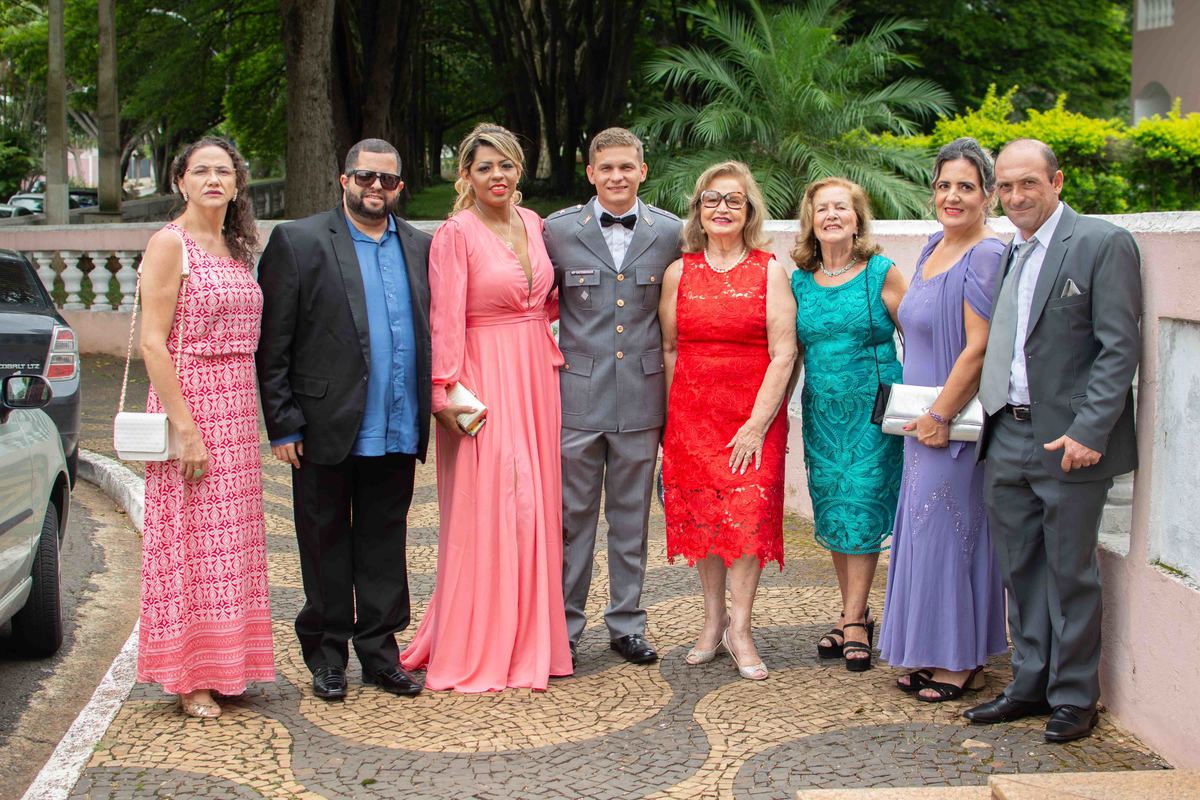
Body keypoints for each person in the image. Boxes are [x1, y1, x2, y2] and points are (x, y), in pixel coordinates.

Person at [966, 139, 1141, 742]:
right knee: (1020, 571)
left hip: (1069, 442)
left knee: (1070, 574)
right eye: (1006, 186)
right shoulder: (1010, 249)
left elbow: (1118, 348)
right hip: (1006, 433)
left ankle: (1074, 698)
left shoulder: (1101, 243)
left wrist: (1090, 430)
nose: (1016, 196)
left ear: (1057, 182)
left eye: (1029, 184)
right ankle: (1029, 684)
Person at [257, 138, 432, 701]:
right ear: (344, 180)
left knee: (385, 544)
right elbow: (273, 341)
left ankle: (380, 654)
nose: (375, 187)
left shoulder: (421, 246)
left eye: (387, 180)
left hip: (397, 422)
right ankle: (327, 655)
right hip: (321, 426)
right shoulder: (299, 241)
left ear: (399, 186)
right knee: (323, 541)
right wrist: (283, 422)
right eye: (365, 177)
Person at [400, 123, 572, 692]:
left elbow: (546, 300)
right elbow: (444, 318)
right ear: (466, 177)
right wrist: (442, 393)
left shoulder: (534, 223)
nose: (497, 175)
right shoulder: (456, 234)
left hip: (536, 376)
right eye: (484, 167)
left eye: (506, 165)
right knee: (494, 504)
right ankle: (481, 642)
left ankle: (531, 642)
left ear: (519, 170)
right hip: (482, 378)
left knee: (536, 505)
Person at [138, 137, 273, 718]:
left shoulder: (236, 246)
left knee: (231, 543)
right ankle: (189, 677)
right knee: (190, 543)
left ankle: (228, 666)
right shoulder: (170, 244)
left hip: (237, 408)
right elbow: (152, 342)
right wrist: (185, 427)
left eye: (224, 171)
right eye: (201, 171)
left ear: (238, 183)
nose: (213, 180)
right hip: (190, 401)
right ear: (181, 182)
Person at [543, 128, 682, 668]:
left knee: (631, 521)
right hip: (577, 399)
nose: (617, 176)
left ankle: (627, 624)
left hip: (642, 400)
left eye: (627, 167)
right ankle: (564, 627)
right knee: (571, 521)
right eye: (607, 168)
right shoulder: (558, 231)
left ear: (643, 171)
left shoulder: (670, 232)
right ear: (591, 173)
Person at [877, 138, 1008, 701]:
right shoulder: (934, 246)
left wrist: (940, 414)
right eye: (944, 185)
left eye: (966, 187)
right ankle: (928, 647)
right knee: (922, 531)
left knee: (951, 533)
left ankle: (961, 659)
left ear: (988, 195)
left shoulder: (986, 255)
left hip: (954, 425)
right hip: (921, 422)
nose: (952, 196)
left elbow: (980, 348)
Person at [660, 161, 797, 681]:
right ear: (698, 209)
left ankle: (741, 629)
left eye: (733, 200)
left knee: (746, 519)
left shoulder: (769, 270)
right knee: (705, 521)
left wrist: (757, 425)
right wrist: (674, 421)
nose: (722, 208)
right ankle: (712, 621)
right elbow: (670, 348)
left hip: (753, 418)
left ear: (749, 210)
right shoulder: (679, 272)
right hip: (693, 420)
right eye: (712, 199)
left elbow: (784, 353)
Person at [789, 177, 906, 672]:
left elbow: (919, 334)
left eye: (842, 207)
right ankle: (850, 611)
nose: (832, 215)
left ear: (858, 219)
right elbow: (788, 353)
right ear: (810, 221)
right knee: (836, 511)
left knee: (862, 507)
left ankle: (856, 620)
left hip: (873, 413)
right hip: (821, 414)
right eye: (823, 209)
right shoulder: (799, 280)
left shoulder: (881, 272)